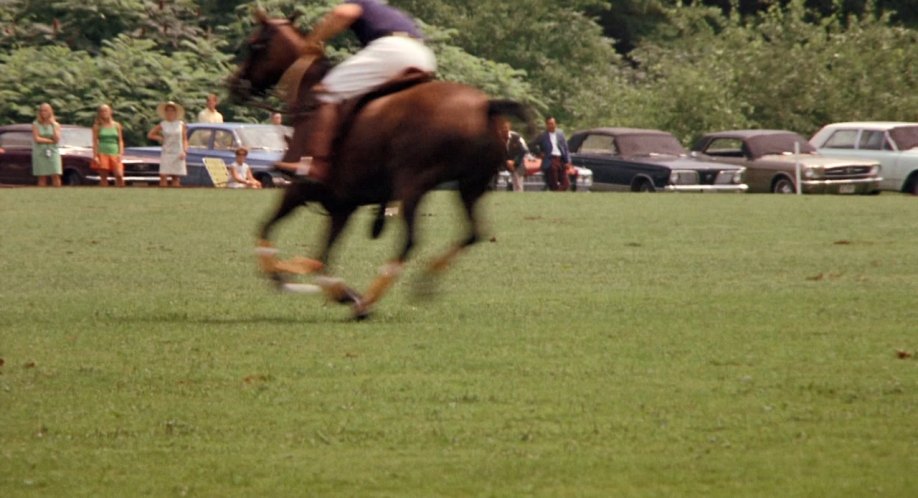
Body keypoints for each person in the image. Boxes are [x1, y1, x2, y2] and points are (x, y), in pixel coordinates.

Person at [276, 0, 437, 184]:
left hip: (393, 49)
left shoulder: (361, 2)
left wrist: (313, 41)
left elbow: (343, 13)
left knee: (327, 91)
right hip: (424, 55)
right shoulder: (389, 12)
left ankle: (317, 164)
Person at [147, 101, 188, 187]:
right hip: (167, 152)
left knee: (176, 177)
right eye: (168, 110)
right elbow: (150, 134)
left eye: (172, 110)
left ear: (176, 112)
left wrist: (184, 151)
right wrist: (160, 138)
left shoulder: (181, 124)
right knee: (163, 175)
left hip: (178, 152)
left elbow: (184, 139)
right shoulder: (163, 124)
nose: (170, 112)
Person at [534, 116, 573, 191]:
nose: (551, 126)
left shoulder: (560, 133)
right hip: (550, 160)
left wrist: (568, 161)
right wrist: (539, 153)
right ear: (546, 125)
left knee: (566, 183)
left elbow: (565, 148)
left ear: (555, 124)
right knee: (553, 183)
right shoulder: (543, 135)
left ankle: (556, 194)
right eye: (549, 124)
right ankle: (555, 194)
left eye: (553, 124)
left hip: (561, 160)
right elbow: (532, 145)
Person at [92, 104, 125, 188]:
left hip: (114, 151)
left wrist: (120, 153)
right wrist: (95, 156)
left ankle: (121, 192)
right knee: (103, 177)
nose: (104, 113)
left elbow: (120, 140)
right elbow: (95, 142)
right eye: (102, 111)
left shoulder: (117, 125)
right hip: (102, 151)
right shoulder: (97, 126)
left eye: (106, 110)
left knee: (119, 175)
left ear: (110, 112)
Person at [32, 103, 62, 187]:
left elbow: (57, 139)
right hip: (40, 151)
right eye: (41, 111)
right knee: (42, 175)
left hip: (53, 151)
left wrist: (53, 125)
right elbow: (37, 138)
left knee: (55, 174)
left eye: (45, 110)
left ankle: (58, 194)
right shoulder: (36, 124)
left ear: (50, 112)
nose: (43, 113)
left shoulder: (56, 124)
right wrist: (50, 140)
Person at [499, 119, 529, 192]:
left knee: (518, 186)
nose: (504, 130)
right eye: (502, 128)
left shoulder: (516, 137)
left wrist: (514, 162)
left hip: (517, 163)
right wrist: (507, 162)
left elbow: (524, 150)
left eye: (506, 127)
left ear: (509, 127)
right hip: (502, 163)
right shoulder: (496, 138)